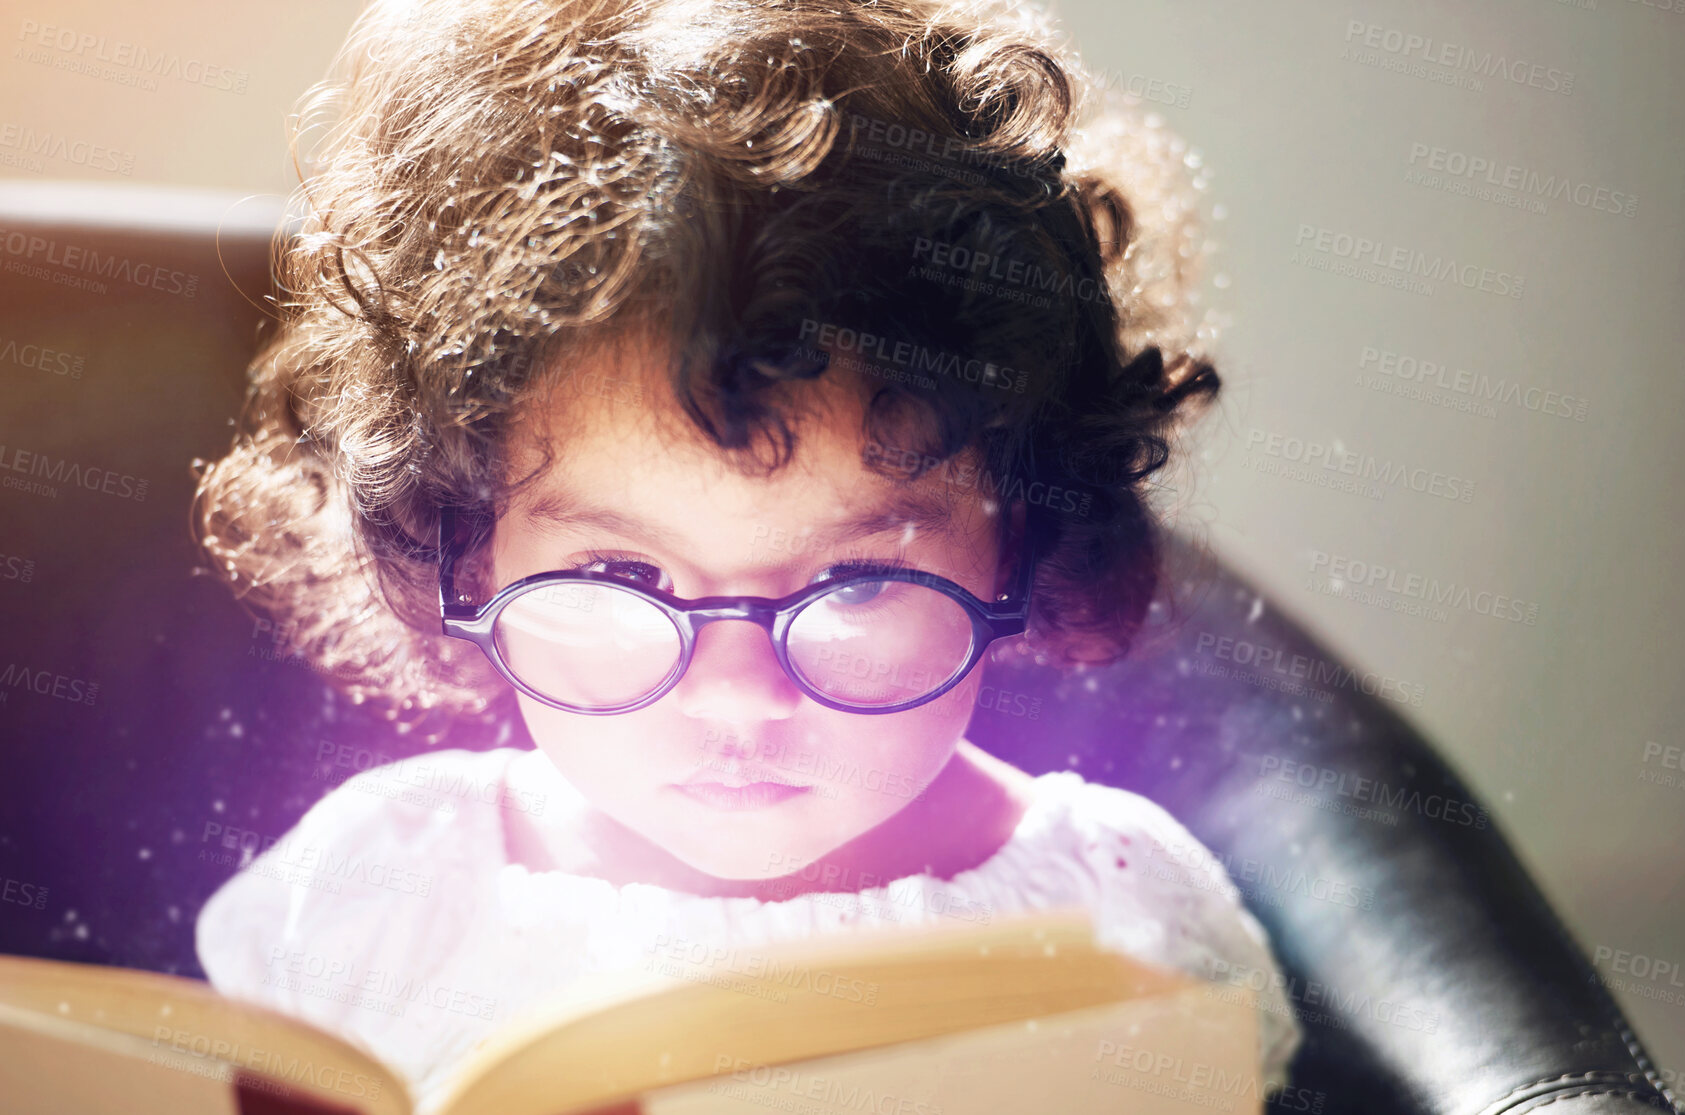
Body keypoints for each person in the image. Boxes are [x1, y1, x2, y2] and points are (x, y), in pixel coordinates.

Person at [191, 0, 1299, 1108]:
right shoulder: (373, 893)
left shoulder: (1122, 921)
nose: (737, 697)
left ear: (1022, 545)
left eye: (854, 582)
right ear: (467, 553)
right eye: (619, 577)